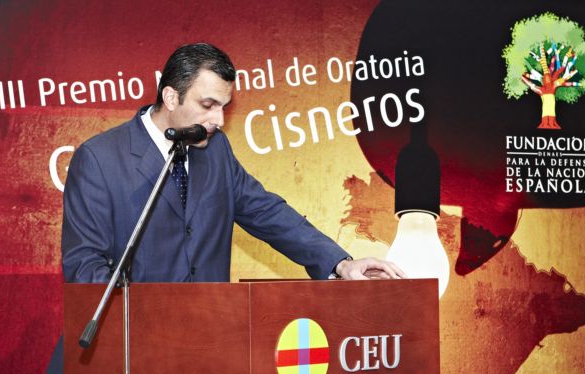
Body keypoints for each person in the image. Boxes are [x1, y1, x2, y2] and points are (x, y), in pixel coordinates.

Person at [61, 42, 404, 284]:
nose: (219, 120)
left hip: (212, 342)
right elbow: (84, 266)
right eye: (208, 105)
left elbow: (267, 213)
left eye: (223, 107)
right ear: (171, 97)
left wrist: (340, 263)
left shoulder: (216, 150)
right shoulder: (99, 159)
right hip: (130, 348)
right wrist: (138, 322)